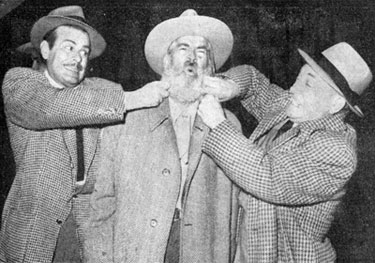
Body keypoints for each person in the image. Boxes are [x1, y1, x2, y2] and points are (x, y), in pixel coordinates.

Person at [0, 5, 169, 263]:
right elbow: (53, 106)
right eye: (69, 47)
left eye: (84, 52)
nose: (78, 59)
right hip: (34, 224)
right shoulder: (19, 83)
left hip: (90, 229)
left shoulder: (103, 90)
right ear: (46, 50)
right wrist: (135, 98)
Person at [85, 9, 240, 263]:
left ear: (210, 66)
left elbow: (235, 213)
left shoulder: (228, 124)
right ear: (166, 61)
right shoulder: (128, 120)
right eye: (183, 49)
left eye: (201, 52)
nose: (192, 58)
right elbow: (102, 206)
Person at [197, 42, 373, 262]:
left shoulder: (338, 151)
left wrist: (218, 124)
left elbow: (269, 178)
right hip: (246, 248)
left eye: (307, 84)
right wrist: (230, 86)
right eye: (298, 78)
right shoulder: (296, 111)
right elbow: (253, 82)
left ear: (336, 103)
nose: (293, 89)